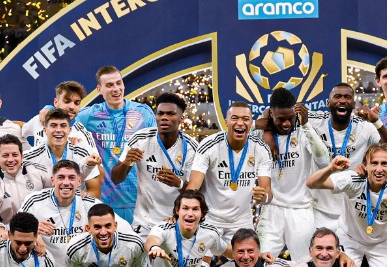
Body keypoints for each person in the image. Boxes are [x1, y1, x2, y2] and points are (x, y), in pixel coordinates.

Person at [307, 82, 387, 227]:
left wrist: (375, 120)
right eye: (337, 96)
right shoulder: (315, 121)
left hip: (352, 208)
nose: (342, 100)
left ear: (353, 104)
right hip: (320, 210)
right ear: (328, 103)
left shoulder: (364, 125)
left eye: (347, 97)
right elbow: (276, 113)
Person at [74, 66, 156, 222]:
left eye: (119, 83)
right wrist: (48, 108)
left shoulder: (143, 113)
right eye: (110, 85)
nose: (116, 89)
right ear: (99, 89)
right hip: (105, 202)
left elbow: (157, 149)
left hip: (139, 201)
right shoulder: (90, 115)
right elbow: (62, 118)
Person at [256, 87, 328, 260]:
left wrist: (305, 124)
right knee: (260, 264)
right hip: (271, 209)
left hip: (301, 209)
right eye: (281, 119)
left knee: (306, 265)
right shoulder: (260, 134)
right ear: (271, 115)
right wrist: (266, 131)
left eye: (290, 118)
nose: (287, 123)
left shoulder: (303, 131)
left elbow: (324, 160)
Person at [111, 92, 199, 235]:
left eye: (170, 114)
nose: (164, 117)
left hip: (177, 221)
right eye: (160, 114)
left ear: (181, 118)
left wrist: (179, 183)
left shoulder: (191, 148)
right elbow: (116, 178)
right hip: (144, 223)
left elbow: (197, 194)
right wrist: (127, 161)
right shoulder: (140, 139)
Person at [186, 101, 272, 243]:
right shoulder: (209, 145)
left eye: (245, 119)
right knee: (201, 264)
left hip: (242, 221)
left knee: (246, 262)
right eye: (234, 118)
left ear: (251, 123)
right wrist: (186, 214)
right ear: (226, 122)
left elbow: (268, 193)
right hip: (210, 218)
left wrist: (263, 198)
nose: (240, 123)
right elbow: (193, 186)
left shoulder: (261, 149)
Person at [22, 108, 102, 195]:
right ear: (45, 130)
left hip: (76, 207)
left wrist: (79, 199)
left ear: (69, 130)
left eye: (63, 125)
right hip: (43, 207)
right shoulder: (30, 157)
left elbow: (95, 191)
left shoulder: (83, 154)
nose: (59, 130)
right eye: (53, 125)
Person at [0, 134, 43, 238]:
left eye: (15, 155)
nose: (11, 159)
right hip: (7, 234)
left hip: (39, 231)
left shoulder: (38, 172)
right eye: (5, 155)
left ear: (22, 157)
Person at [21, 81, 91, 149]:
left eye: (77, 103)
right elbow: (21, 131)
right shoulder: (40, 119)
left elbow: (93, 158)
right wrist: (29, 154)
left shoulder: (82, 134)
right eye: (67, 101)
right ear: (56, 102)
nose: (72, 107)